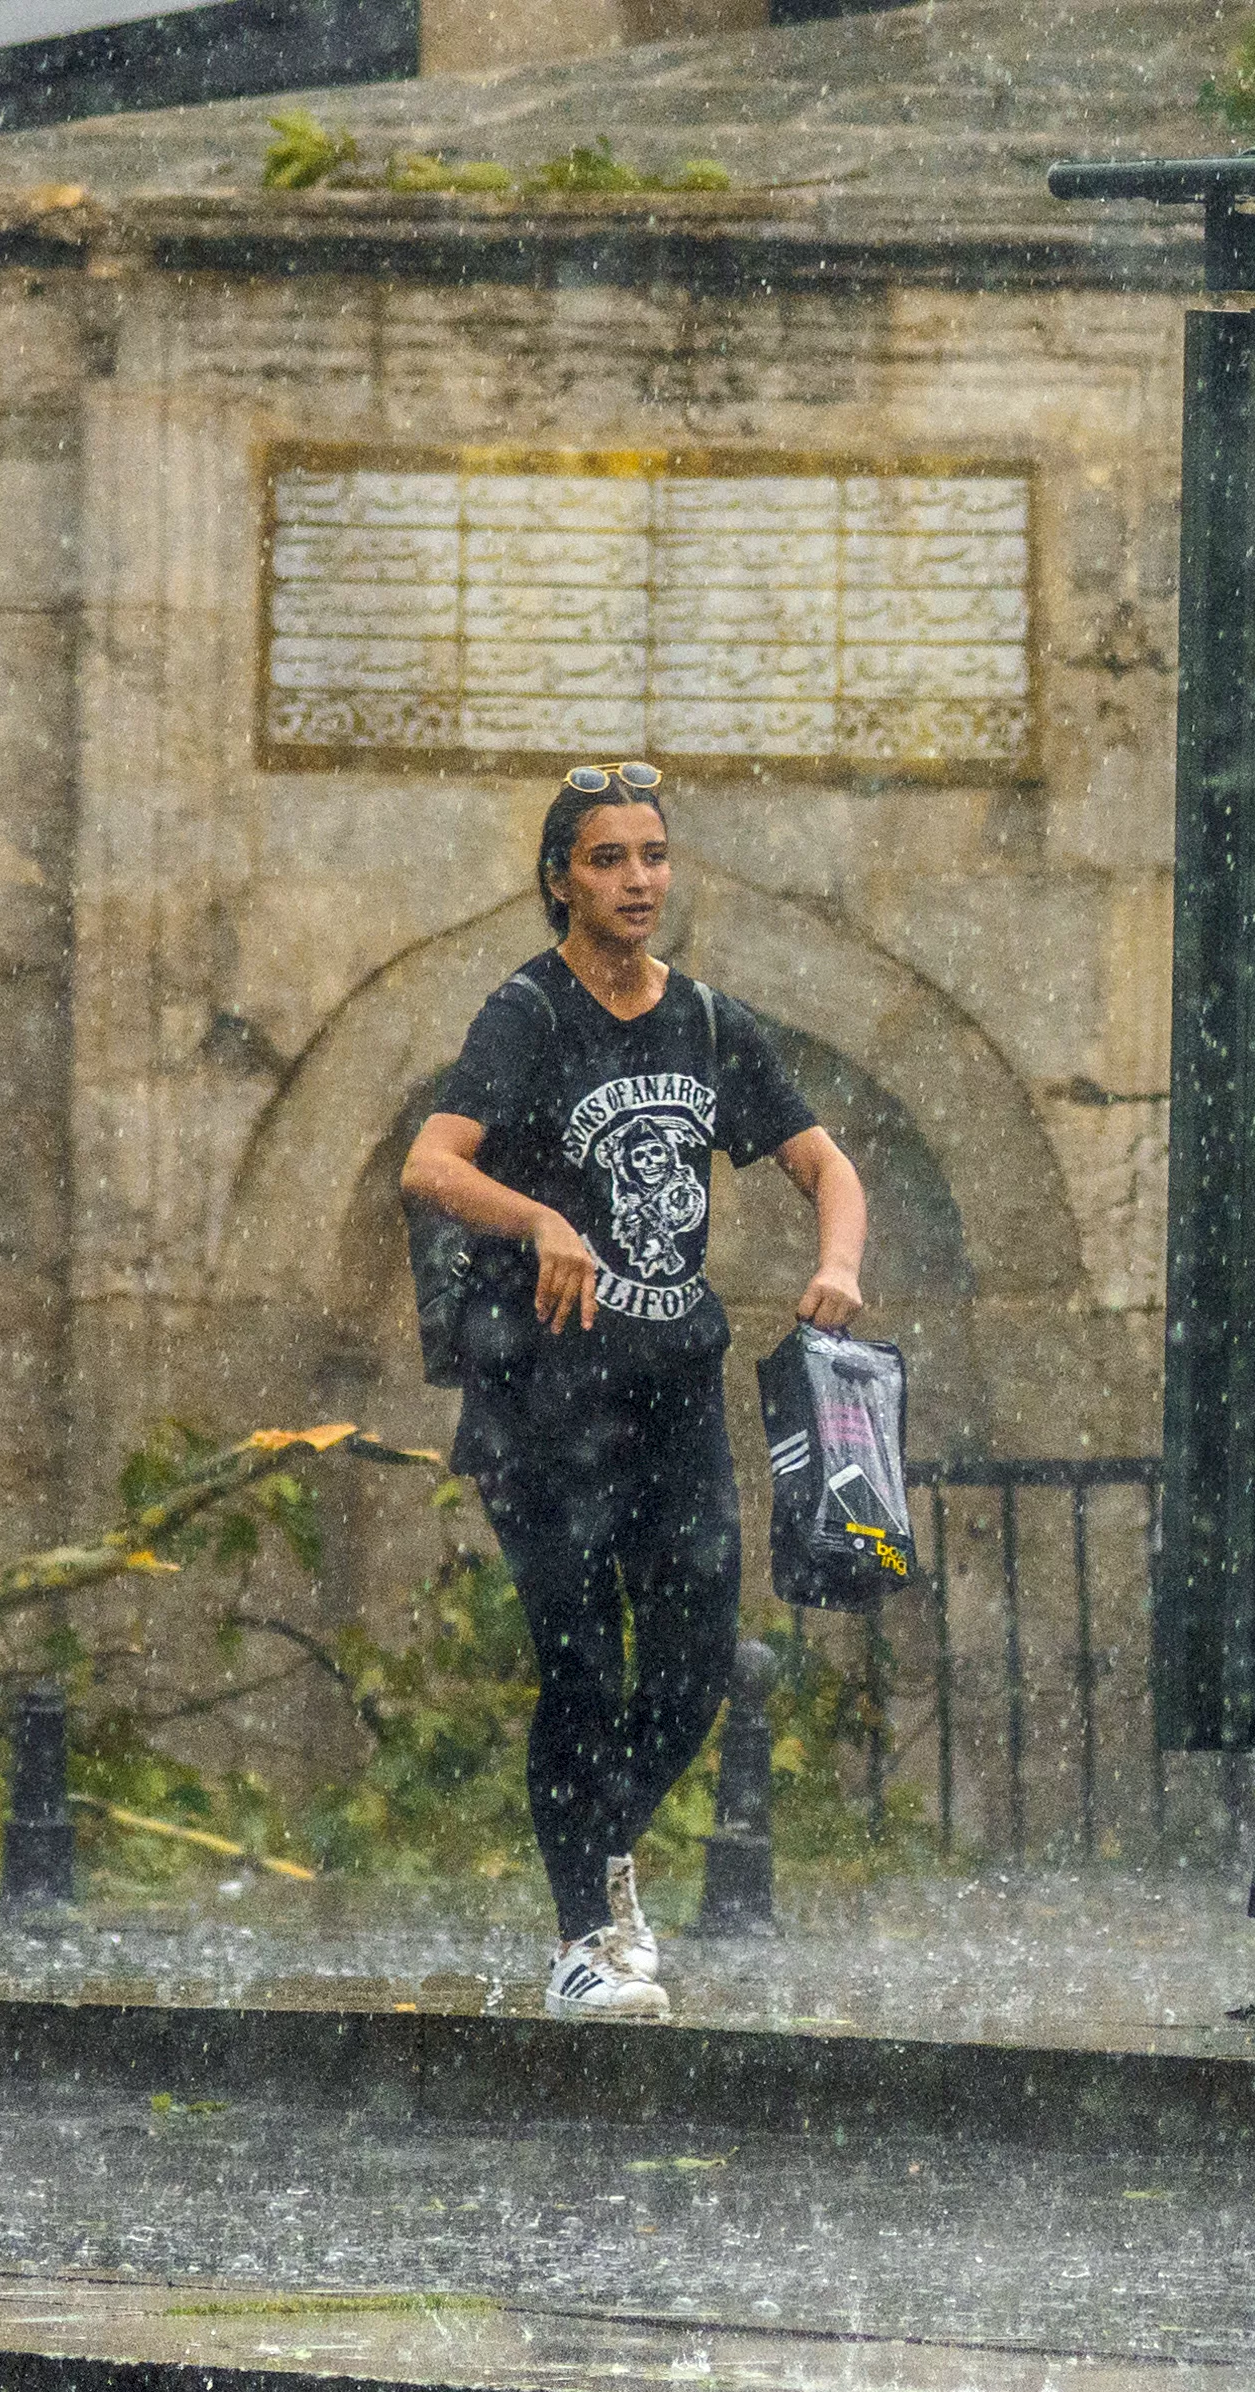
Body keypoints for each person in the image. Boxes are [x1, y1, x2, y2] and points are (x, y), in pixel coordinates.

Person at [400, 764, 867, 2018]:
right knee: (580, 1666)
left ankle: (602, 1860)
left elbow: (829, 1166)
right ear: (562, 878)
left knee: (697, 1663)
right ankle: (584, 1939)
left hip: (670, 1397)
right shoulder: (530, 1015)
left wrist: (835, 1263)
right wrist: (545, 1215)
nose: (638, 881)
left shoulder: (709, 1022)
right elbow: (430, 1163)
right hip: (541, 1397)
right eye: (609, 859)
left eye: (653, 855)